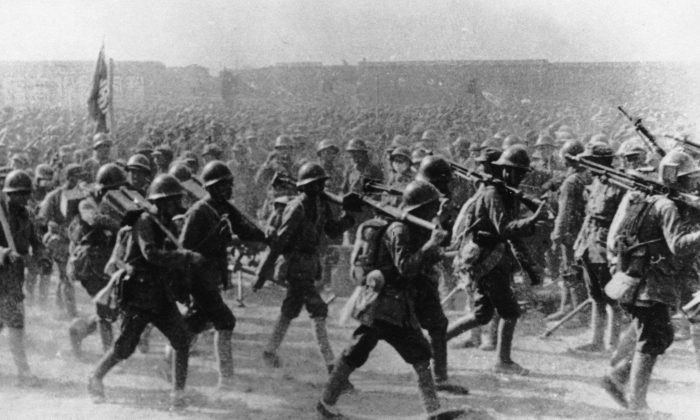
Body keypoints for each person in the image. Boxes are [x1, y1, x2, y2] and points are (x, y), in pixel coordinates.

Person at [317, 181, 464, 420]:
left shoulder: (413, 229)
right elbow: (405, 267)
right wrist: (430, 246)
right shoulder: (400, 230)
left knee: (417, 354)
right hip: (384, 305)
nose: (434, 213)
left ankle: (434, 411)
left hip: (395, 305)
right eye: (432, 208)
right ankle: (326, 403)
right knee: (358, 352)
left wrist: (435, 243)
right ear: (420, 208)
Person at [88, 174, 202, 409]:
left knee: (181, 340)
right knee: (125, 346)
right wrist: (185, 256)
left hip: (161, 294)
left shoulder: (168, 224)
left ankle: (178, 394)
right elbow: (150, 253)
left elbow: (171, 261)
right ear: (161, 202)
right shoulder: (145, 222)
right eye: (172, 201)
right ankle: (95, 378)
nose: (176, 206)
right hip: (138, 293)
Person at [602, 149, 700, 411]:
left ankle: (619, 376)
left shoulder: (650, 200)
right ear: (677, 179)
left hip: (641, 280)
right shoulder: (666, 206)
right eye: (690, 177)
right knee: (652, 340)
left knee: (660, 335)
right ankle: (637, 404)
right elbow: (678, 245)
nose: (694, 181)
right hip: (651, 285)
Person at [446, 145, 547, 375]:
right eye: (515, 172)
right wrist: (532, 221)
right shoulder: (493, 194)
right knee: (509, 312)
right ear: (503, 170)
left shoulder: (504, 193)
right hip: (488, 258)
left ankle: (437, 341)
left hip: (492, 258)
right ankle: (503, 362)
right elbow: (504, 229)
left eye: (522, 173)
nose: (519, 177)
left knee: (482, 314)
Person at [261, 162, 356, 376]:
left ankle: (269, 350)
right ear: (303, 187)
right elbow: (281, 239)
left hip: (309, 264)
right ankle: (332, 365)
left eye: (321, 184)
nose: (319, 188)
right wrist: (267, 268)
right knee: (318, 309)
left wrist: (349, 216)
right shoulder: (296, 208)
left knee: (291, 309)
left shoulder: (321, 205)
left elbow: (332, 230)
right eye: (314, 185)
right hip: (296, 266)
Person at [180, 160, 266, 389]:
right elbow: (184, 249)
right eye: (224, 185)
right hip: (199, 277)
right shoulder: (198, 212)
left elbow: (248, 230)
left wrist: (264, 235)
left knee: (195, 323)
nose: (229, 189)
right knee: (225, 321)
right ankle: (226, 379)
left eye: (230, 184)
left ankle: (171, 358)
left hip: (212, 276)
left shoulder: (225, 209)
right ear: (212, 187)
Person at [66, 164, 125, 357]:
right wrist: (123, 224)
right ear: (101, 188)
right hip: (89, 263)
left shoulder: (118, 204)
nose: (115, 192)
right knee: (105, 309)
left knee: (113, 310)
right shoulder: (86, 203)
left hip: (107, 261)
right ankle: (109, 354)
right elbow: (94, 219)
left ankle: (78, 330)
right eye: (111, 189)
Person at [573, 142, 625, 351]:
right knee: (595, 295)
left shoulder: (620, 185)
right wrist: (579, 243)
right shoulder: (594, 182)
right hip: (589, 243)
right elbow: (589, 216)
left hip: (606, 245)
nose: (587, 165)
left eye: (591, 161)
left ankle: (613, 344)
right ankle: (596, 341)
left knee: (612, 295)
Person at [0, 170, 43, 386]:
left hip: (13, 280)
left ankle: (22, 372)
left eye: (26, 193)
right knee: (13, 324)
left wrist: (39, 255)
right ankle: (23, 372)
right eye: (19, 194)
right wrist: (5, 253)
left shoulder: (25, 214)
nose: (25, 197)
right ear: (8, 194)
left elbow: (35, 239)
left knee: (14, 325)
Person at [547, 140, 587, 322]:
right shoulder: (585, 176)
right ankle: (567, 306)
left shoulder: (571, 181)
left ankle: (575, 313)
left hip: (571, 232)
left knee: (570, 270)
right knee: (573, 269)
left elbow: (564, 213)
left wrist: (556, 236)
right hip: (582, 231)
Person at [37, 163, 85, 318]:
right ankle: (71, 313)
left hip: (75, 240)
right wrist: (58, 229)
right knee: (65, 275)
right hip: (58, 240)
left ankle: (60, 306)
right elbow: (43, 220)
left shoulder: (82, 194)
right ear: (68, 177)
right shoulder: (55, 196)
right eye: (75, 176)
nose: (77, 180)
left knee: (66, 276)